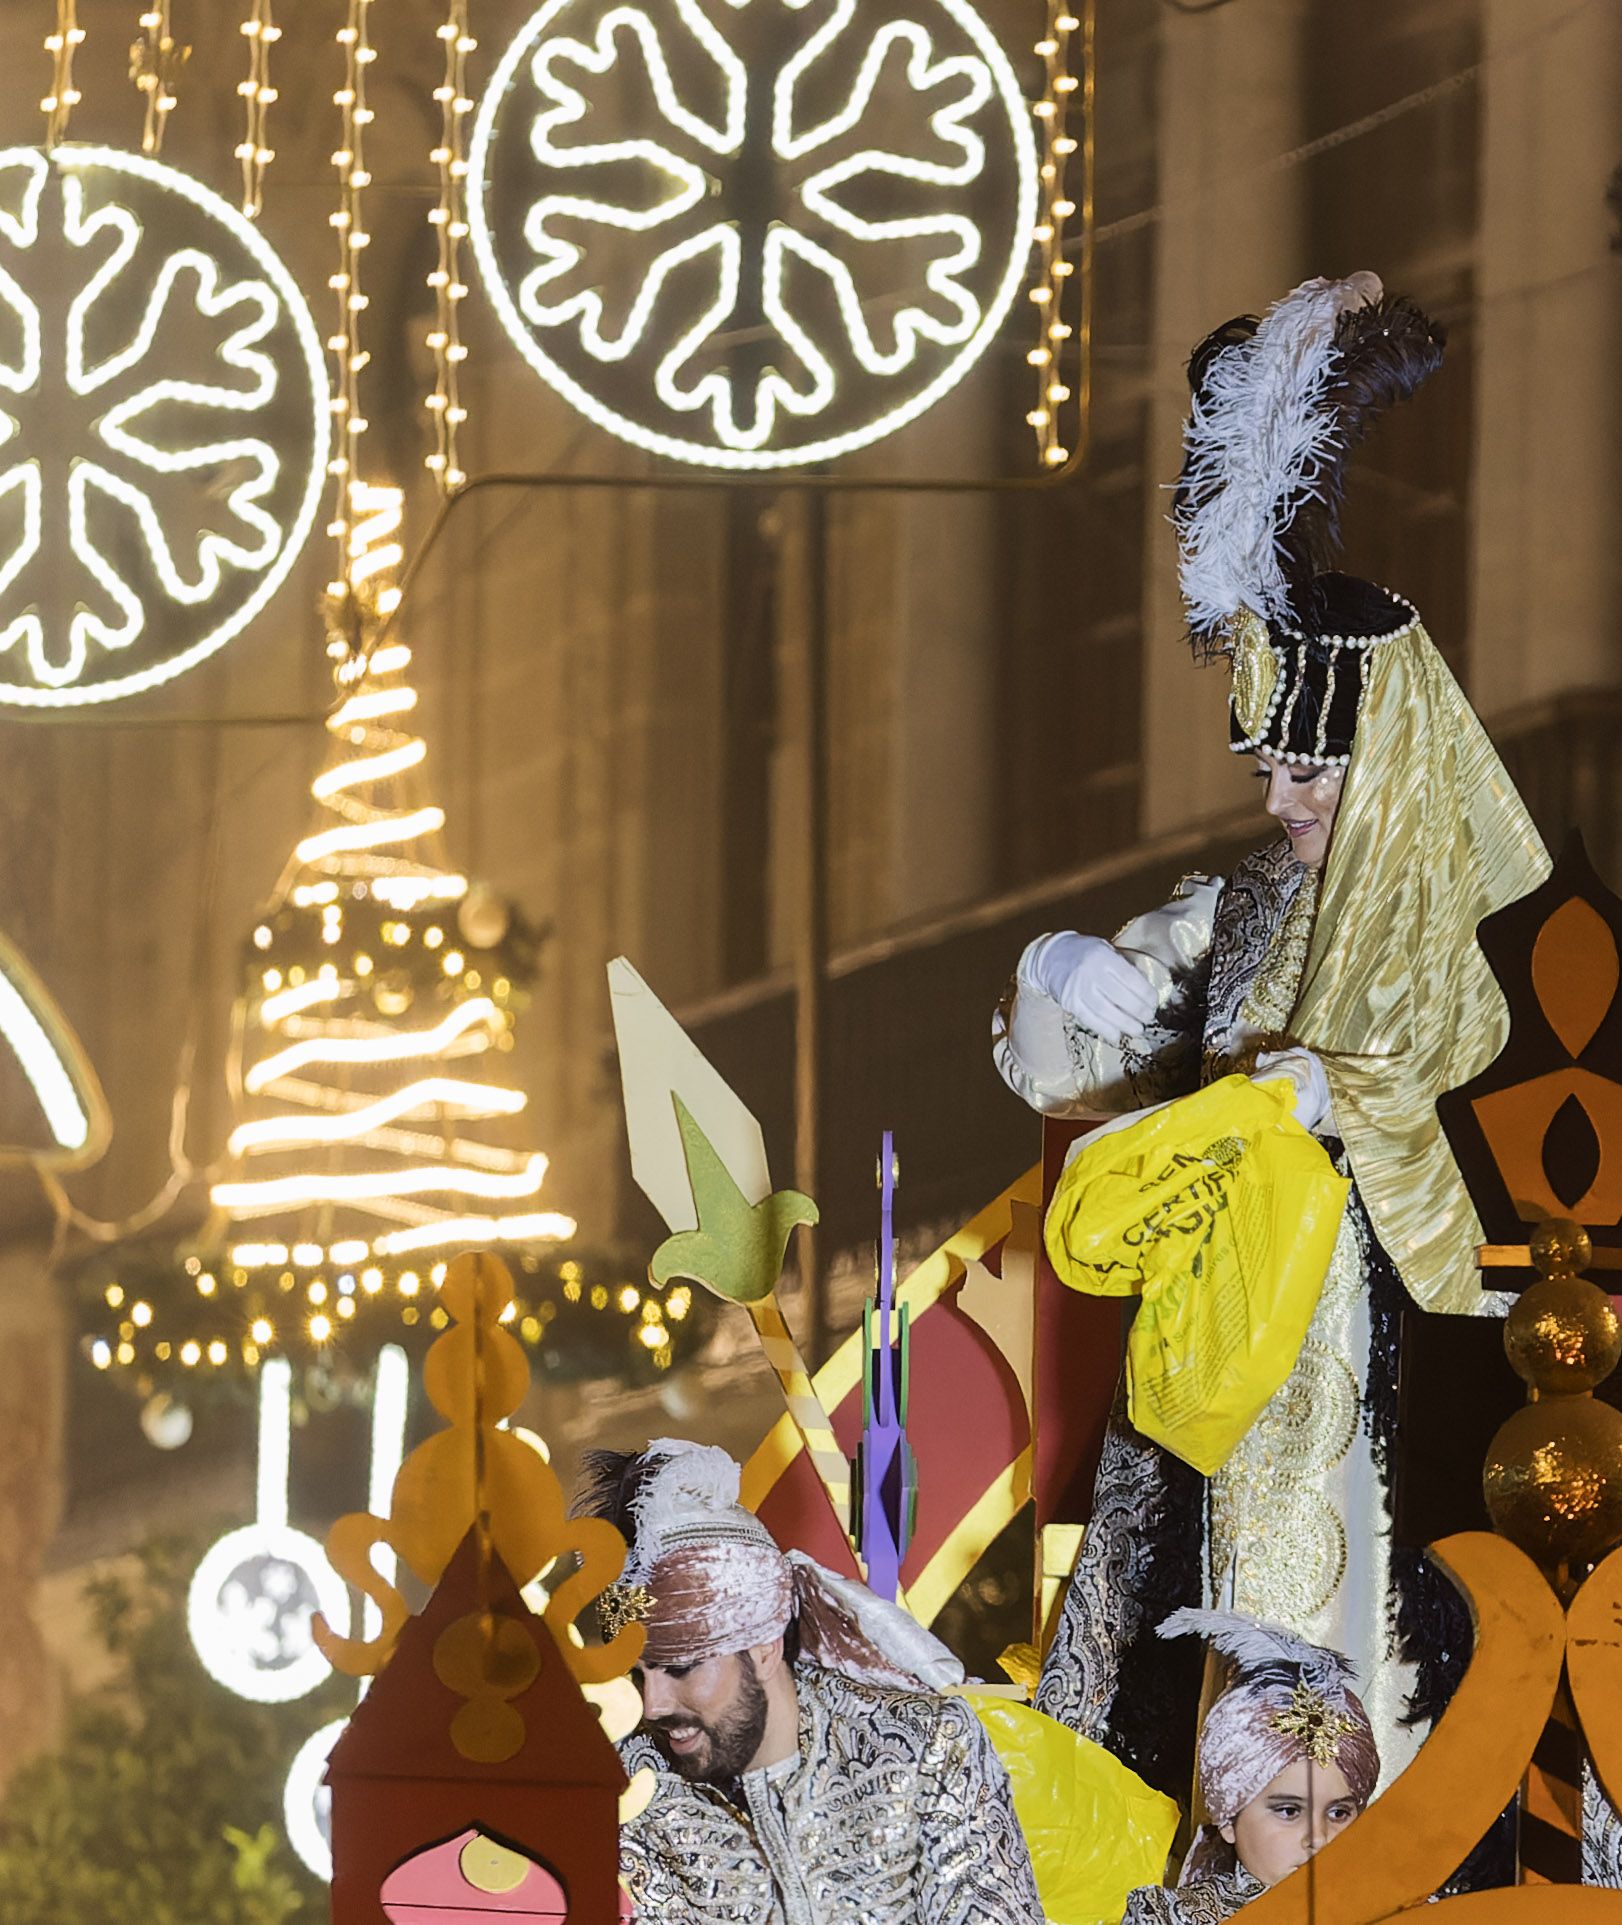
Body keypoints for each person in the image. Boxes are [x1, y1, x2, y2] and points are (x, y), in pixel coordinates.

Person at [993, 271, 1551, 1798]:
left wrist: (1349, 1098)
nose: (1278, 807)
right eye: (1265, 772)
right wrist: (1072, 987)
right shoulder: (1235, 908)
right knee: (1207, 1685)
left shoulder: (1486, 926)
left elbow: (1513, 1129)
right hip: (1228, 1364)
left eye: (1308, 775)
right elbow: (1068, 1073)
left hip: (1406, 1361)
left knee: (1390, 1667)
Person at [578, 1440, 1045, 1925]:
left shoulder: (922, 1746)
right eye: (638, 1675)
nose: (651, 1706)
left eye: (680, 1668)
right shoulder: (630, 1793)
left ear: (763, 1647)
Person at [1121, 1610, 1381, 1923]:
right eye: (1289, 1811)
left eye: (1339, 1813)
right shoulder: (1171, 1919)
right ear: (1228, 1819)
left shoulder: (1393, 1909)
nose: (1319, 1838)